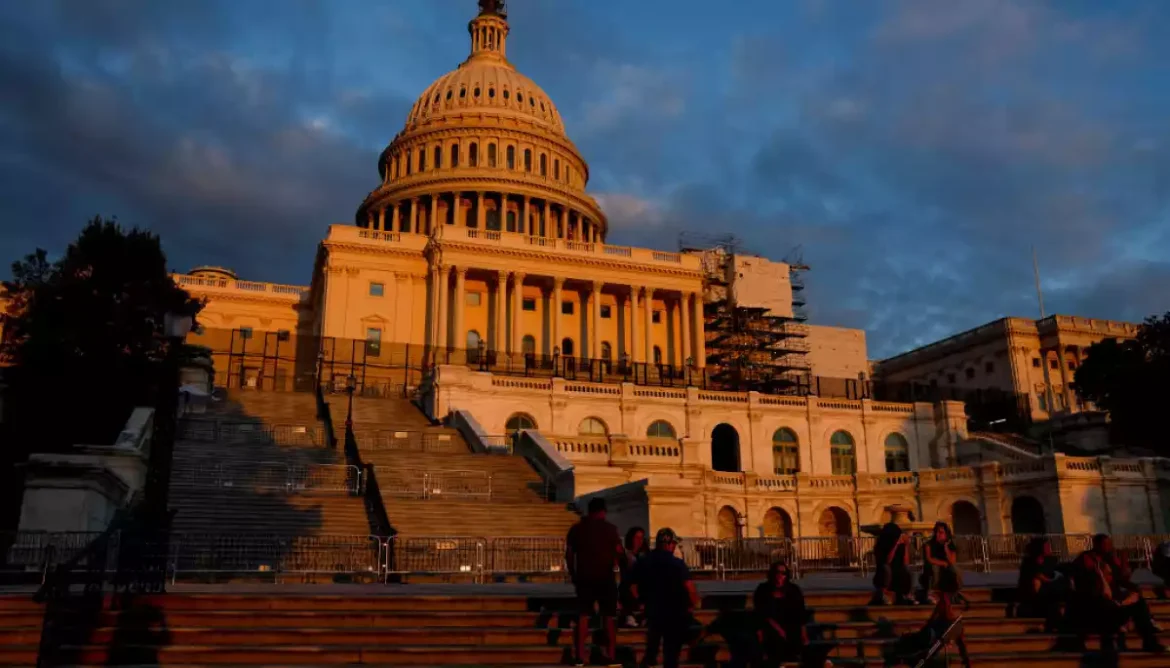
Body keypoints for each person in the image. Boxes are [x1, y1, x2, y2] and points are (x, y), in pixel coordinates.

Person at [1070, 534, 1164, 653]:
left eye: (1109, 544)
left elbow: (1120, 578)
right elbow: (1103, 597)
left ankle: (1149, 640)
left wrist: (1133, 591)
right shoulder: (1087, 561)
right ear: (1097, 545)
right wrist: (1124, 601)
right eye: (1106, 544)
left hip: (1112, 606)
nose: (1109, 547)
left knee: (1138, 602)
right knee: (1130, 604)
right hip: (1098, 612)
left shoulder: (1110, 559)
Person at [565, 497, 624, 667]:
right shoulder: (610, 529)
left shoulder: (576, 529)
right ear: (603, 511)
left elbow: (569, 554)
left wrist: (573, 574)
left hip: (584, 577)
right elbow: (618, 553)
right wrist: (617, 570)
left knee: (583, 616)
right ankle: (610, 655)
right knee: (609, 617)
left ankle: (580, 656)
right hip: (605, 577)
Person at [630, 528, 699, 668]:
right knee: (671, 652)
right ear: (669, 544)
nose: (674, 547)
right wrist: (693, 604)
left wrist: (641, 602)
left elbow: (632, 587)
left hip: (653, 611)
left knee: (652, 645)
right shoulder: (677, 564)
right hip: (675, 612)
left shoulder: (644, 561)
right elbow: (689, 588)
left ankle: (649, 660)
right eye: (674, 544)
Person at [754, 560, 815, 666]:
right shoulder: (763, 590)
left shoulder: (793, 590)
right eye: (777, 572)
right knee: (774, 637)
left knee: (796, 640)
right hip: (770, 628)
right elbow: (761, 614)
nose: (780, 576)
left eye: (783, 573)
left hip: (790, 628)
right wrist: (777, 629)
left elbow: (800, 614)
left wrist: (803, 634)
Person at [1016, 537, 1065, 632]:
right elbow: (1032, 577)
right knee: (1051, 604)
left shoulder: (1051, 560)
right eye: (1046, 547)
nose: (1049, 549)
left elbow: (1055, 574)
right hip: (1034, 597)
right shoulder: (1029, 562)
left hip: (1049, 592)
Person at [871, 522, 915, 606]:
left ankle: (907, 594)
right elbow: (888, 560)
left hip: (897, 572)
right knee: (887, 569)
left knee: (907, 569)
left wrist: (906, 546)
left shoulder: (900, 545)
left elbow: (906, 562)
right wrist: (896, 545)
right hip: (883, 573)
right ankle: (883, 594)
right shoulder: (880, 546)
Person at [919, 522, 962, 604]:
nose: (938, 534)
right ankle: (933, 593)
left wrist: (946, 548)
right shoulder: (928, 544)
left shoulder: (950, 544)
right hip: (933, 567)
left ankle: (955, 593)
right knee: (936, 568)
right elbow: (929, 559)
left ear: (946, 534)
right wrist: (943, 563)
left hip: (947, 569)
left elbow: (952, 561)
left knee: (955, 568)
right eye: (937, 532)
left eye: (941, 532)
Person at [620, 526, 650, 628]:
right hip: (628, 586)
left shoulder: (645, 556)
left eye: (641, 538)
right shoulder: (625, 556)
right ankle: (630, 616)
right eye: (637, 538)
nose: (639, 541)